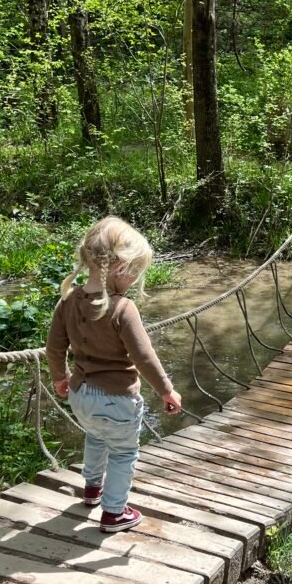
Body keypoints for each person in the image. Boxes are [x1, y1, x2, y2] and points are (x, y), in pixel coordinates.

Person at [46, 216, 182, 534]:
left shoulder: (68, 300)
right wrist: (167, 390)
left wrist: (60, 377)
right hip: (117, 399)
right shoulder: (123, 308)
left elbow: (54, 348)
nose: (134, 279)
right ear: (120, 267)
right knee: (123, 452)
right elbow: (144, 357)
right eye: (135, 271)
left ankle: (92, 489)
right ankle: (114, 512)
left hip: (80, 396)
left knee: (95, 436)